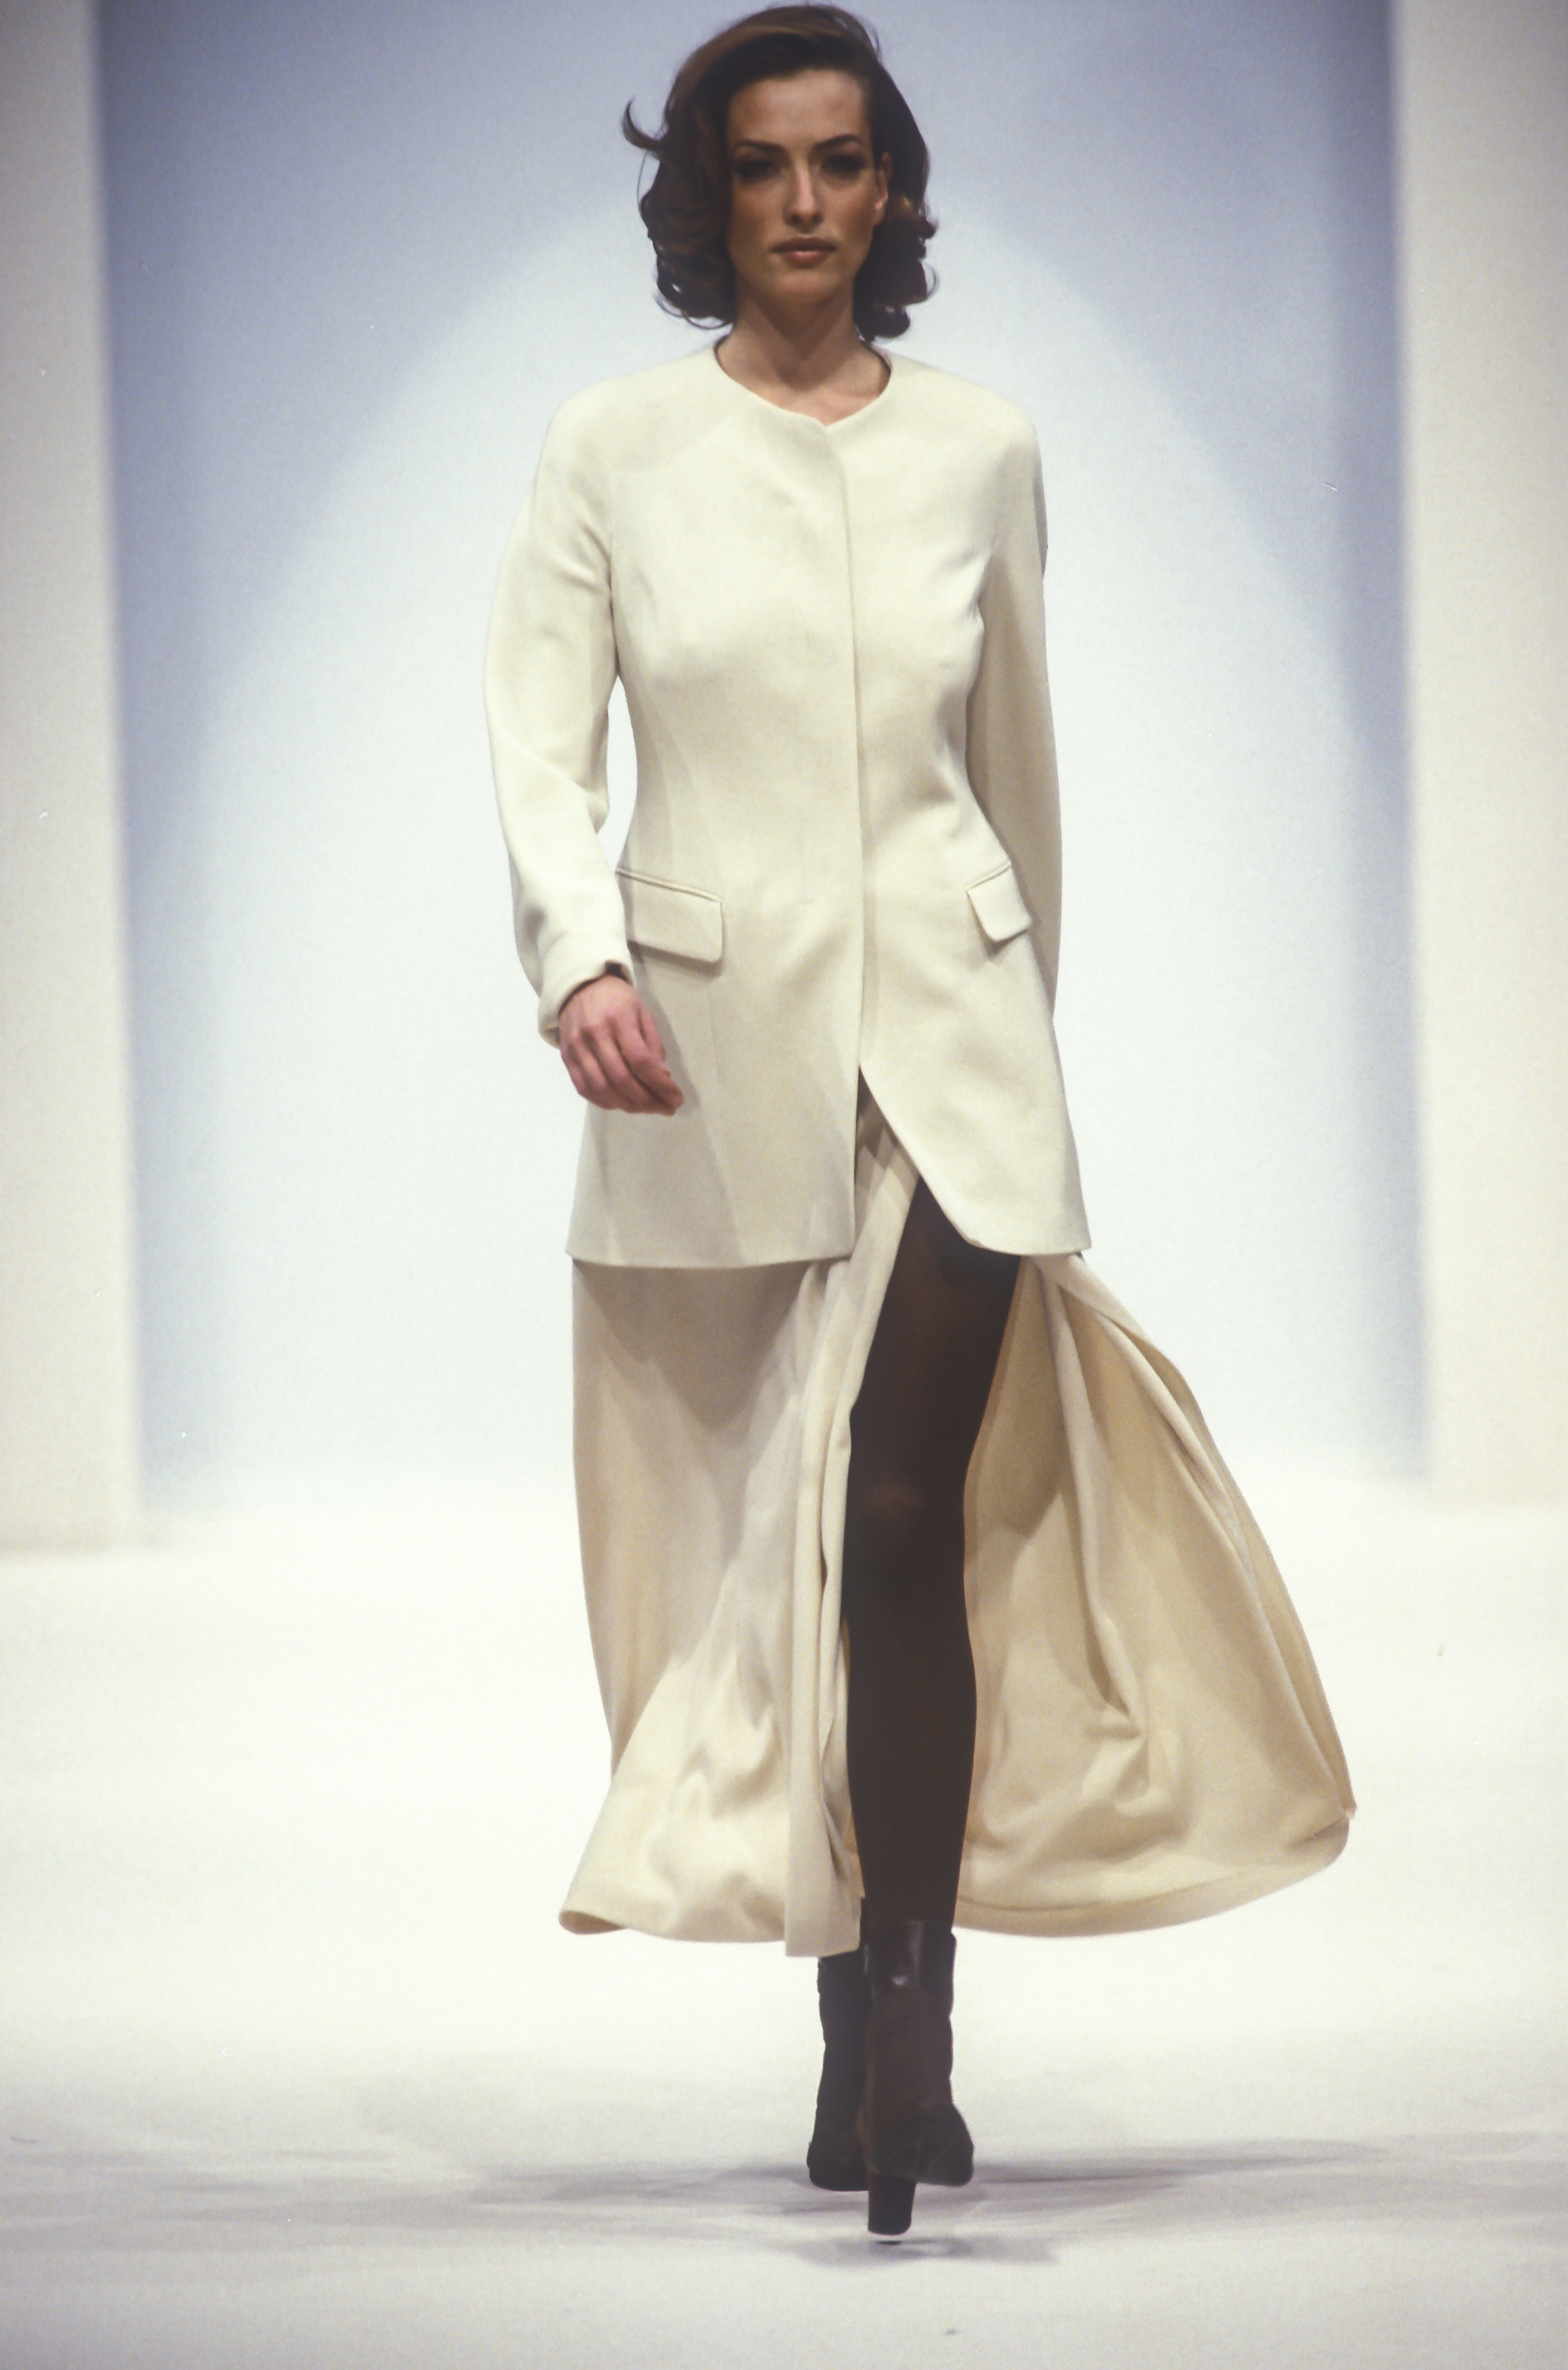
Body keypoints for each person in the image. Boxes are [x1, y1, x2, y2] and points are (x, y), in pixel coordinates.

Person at [484, 4, 1353, 2240]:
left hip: (957, 1053)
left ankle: (904, 2024)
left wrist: (1015, 1029)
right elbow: (538, 743)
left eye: (840, 160)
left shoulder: (980, 446)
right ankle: (852, 2014)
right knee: (776, 1539)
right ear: (707, 194)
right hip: (711, 1047)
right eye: (762, 164)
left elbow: (1018, 766)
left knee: (890, 1506)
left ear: (890, 188)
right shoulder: (611, 448)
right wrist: (577, 960)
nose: (804, 201)